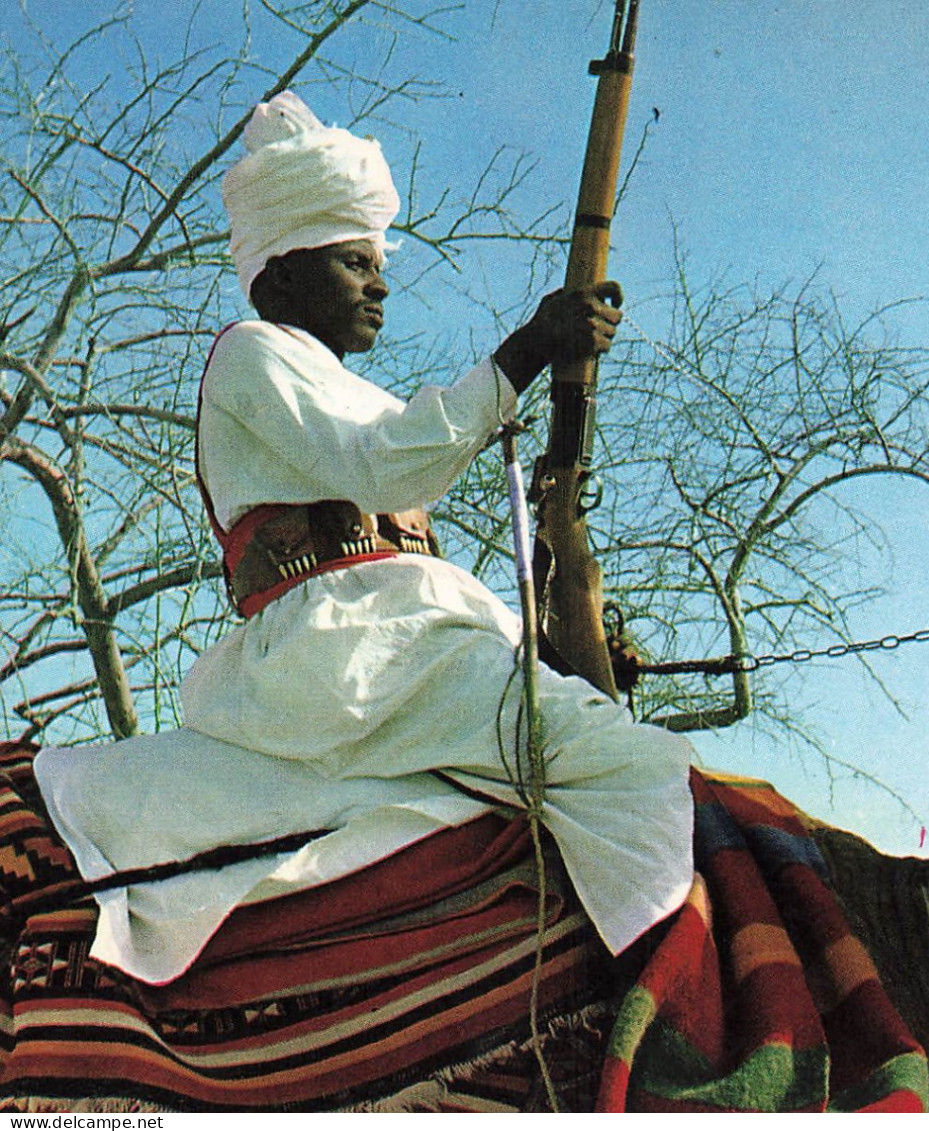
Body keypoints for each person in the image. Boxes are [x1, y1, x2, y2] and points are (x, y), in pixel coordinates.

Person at [33, 92, 694, 986]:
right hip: (353, 659)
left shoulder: (346, 391)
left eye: (376, 262)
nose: (380, 282)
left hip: (402, 651)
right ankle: (675, 1027)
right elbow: (390, 466)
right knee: (634, 763)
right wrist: (532, 348)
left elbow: (407, 454)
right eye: (355, 261)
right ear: (281, 274)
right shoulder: (252, 353)